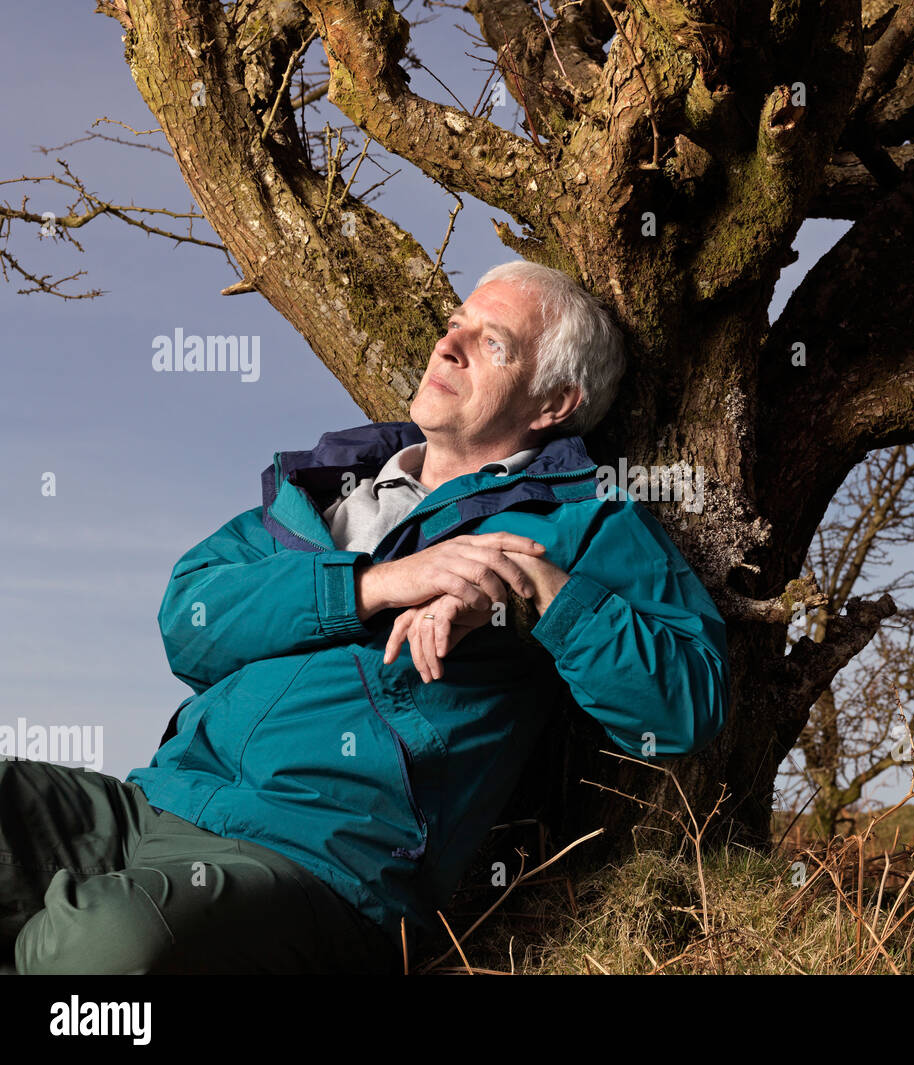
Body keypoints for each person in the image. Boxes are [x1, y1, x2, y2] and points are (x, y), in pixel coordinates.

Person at [1, 262, 731, 974]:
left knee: (103, 948)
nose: (449, 345)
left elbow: (685, 705)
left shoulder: (581, 521)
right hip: (154, 799)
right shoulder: (319, 495)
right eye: (456, 325)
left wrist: (539, 589)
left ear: (553, 403)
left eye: (492, 342)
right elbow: (188, 624)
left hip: (312, 863)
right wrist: (373, 584)